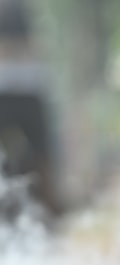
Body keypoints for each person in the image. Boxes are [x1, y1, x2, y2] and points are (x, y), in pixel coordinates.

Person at [0, 0, 59, 216]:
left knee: (42, 157)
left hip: (29, 89)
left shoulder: (21, 9)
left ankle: (47, 209)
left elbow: (34, 46)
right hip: (6, 91)